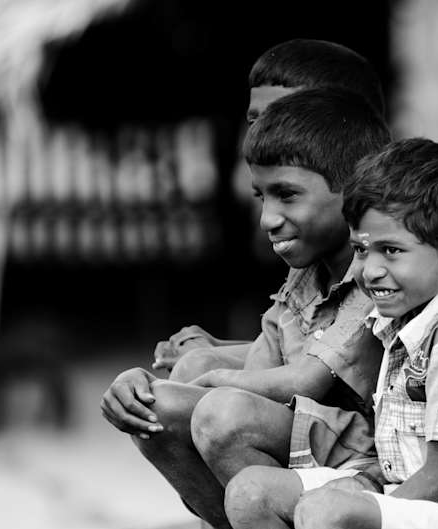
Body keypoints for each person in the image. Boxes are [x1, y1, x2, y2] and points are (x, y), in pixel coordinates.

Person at [223, 137, 438, 529]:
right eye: (362, 251)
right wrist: (358, 488)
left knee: (327, 513)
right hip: (417, 497)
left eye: (392, 251)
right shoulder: (405, 315)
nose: (369, 271)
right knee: (251, 493)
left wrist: (359, 505)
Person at [101, 87, 391, 529]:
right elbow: (262, 364)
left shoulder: (374, 273)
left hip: (368, 457)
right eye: (261, 198)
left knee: (224, 414)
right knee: (151, 408)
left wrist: (211, 378)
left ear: (351, 191)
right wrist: (140, 385)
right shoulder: (304, 276)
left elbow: (306, 381)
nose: (267, 219)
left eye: (287, 195)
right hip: (316, 435)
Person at [153, 38, 386, 383]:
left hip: (352, 426)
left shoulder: (381, 253)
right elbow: (303, 346)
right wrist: (213, 350)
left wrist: (215, 374)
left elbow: (320, 370)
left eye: (282, 118)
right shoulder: (312, 254)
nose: (263, 135)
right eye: (255, 121)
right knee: (193, 368)